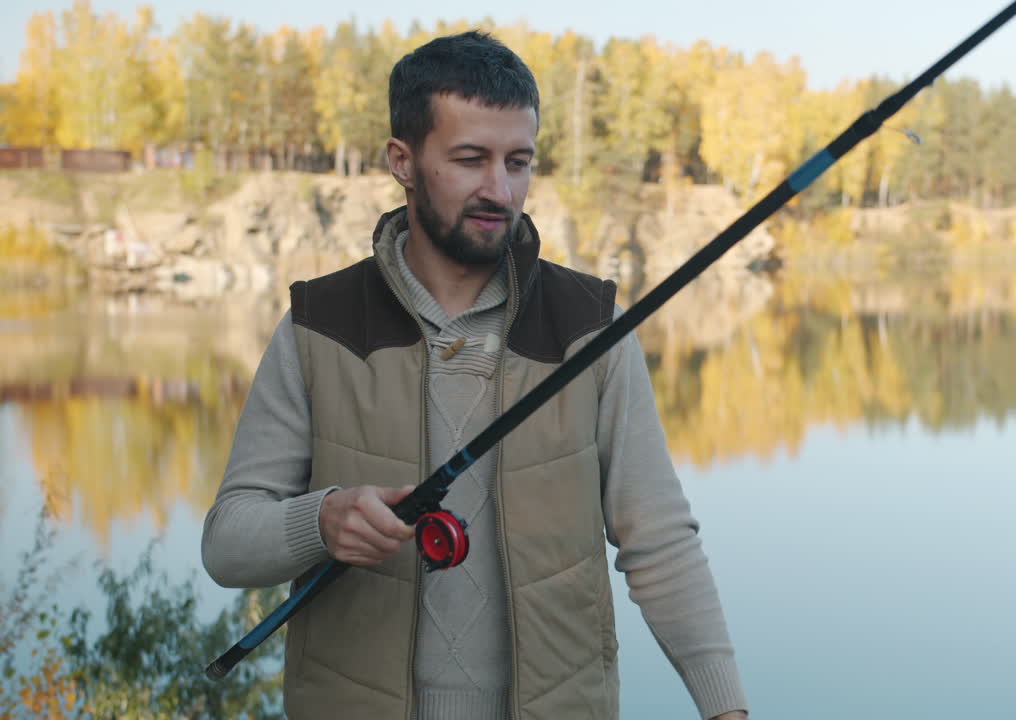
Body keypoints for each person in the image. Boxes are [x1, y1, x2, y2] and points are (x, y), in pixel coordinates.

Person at [201, 31, 749, 720]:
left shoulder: (590, 325)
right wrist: (321, 521)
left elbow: (660, 540)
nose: (500, 188)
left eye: (518, 162)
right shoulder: (320, 327)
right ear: (403, 161)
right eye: (470, 160)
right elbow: (226, 543)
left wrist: (725, 708)